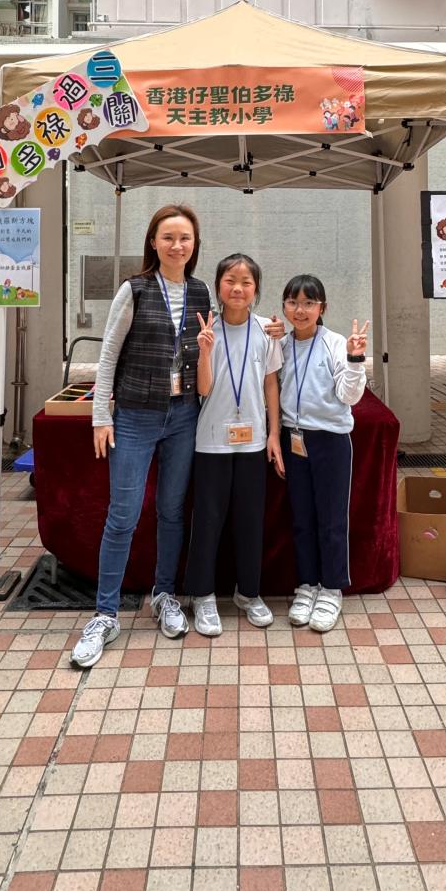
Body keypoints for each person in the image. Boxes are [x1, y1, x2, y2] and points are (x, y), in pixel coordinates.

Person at [71, 203, 211, 668]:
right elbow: (108, 356)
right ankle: (105, 614)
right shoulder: (133, 289)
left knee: (172, 510)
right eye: (168, 237)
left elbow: (213, 347)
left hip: (184, 414)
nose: (177, 245)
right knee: (123, 514)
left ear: (194, 245)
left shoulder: (200, 291)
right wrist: (101, 416)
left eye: (185, 238)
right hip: (134, 415)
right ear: (153, 242)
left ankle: (164, 595)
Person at [184, 254, 284, 636]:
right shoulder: (207, 328)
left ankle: (249, 593)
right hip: (212, 441)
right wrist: (205, 351)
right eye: (230, 280)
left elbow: (270, 384)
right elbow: (203, 389)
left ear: (256, 289)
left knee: (250, 520)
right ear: (218, 286)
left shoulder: (266, 331)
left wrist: (273, 434)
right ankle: (203, 595)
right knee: (207, 520)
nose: (237, 288)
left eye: (246, 281)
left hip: (253, 441)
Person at [278, 275, 368, 633]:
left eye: (308, 303)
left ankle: (331, 589)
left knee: (331, 519)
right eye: (293, 302)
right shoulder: (281, 345)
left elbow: (350, 396)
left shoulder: (334, 343)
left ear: (322, 308)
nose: (300, 310)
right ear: (284, 306)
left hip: (330, 440)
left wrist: (355, 359)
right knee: (302, 518)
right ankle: (308, 584)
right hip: (293, 439)